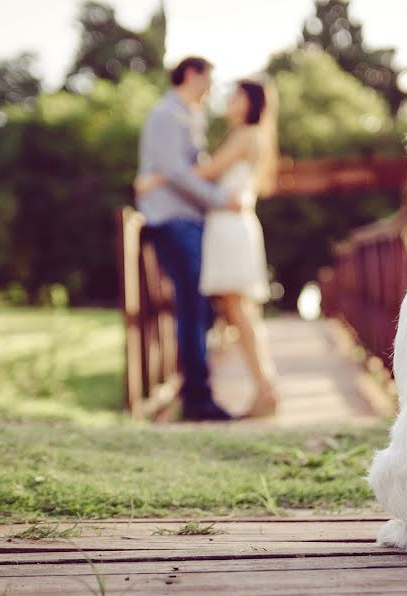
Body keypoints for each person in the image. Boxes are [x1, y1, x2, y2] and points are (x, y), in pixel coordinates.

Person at [136, 79, 280, 418]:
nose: (229, 101)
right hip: (231, 226)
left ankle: (266, 390)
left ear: (250, 102)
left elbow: (206, 172)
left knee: (239, 311)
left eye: (236, 96)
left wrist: (157, 177)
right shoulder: (249, 135)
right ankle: (265, 388)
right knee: (239, 311)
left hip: (231, 227)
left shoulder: (246, 134)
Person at [135, 56, 238, 421]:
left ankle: (195, 392)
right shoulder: (166, 114)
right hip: (174, 220)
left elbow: (183, 170)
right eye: (209, 78)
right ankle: (197, 399)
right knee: (192, 308)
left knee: (200, 308)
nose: (211, 87)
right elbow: (175, 172)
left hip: (189, 220)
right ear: (192, 74)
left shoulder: (189, 116)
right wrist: (220, 201)